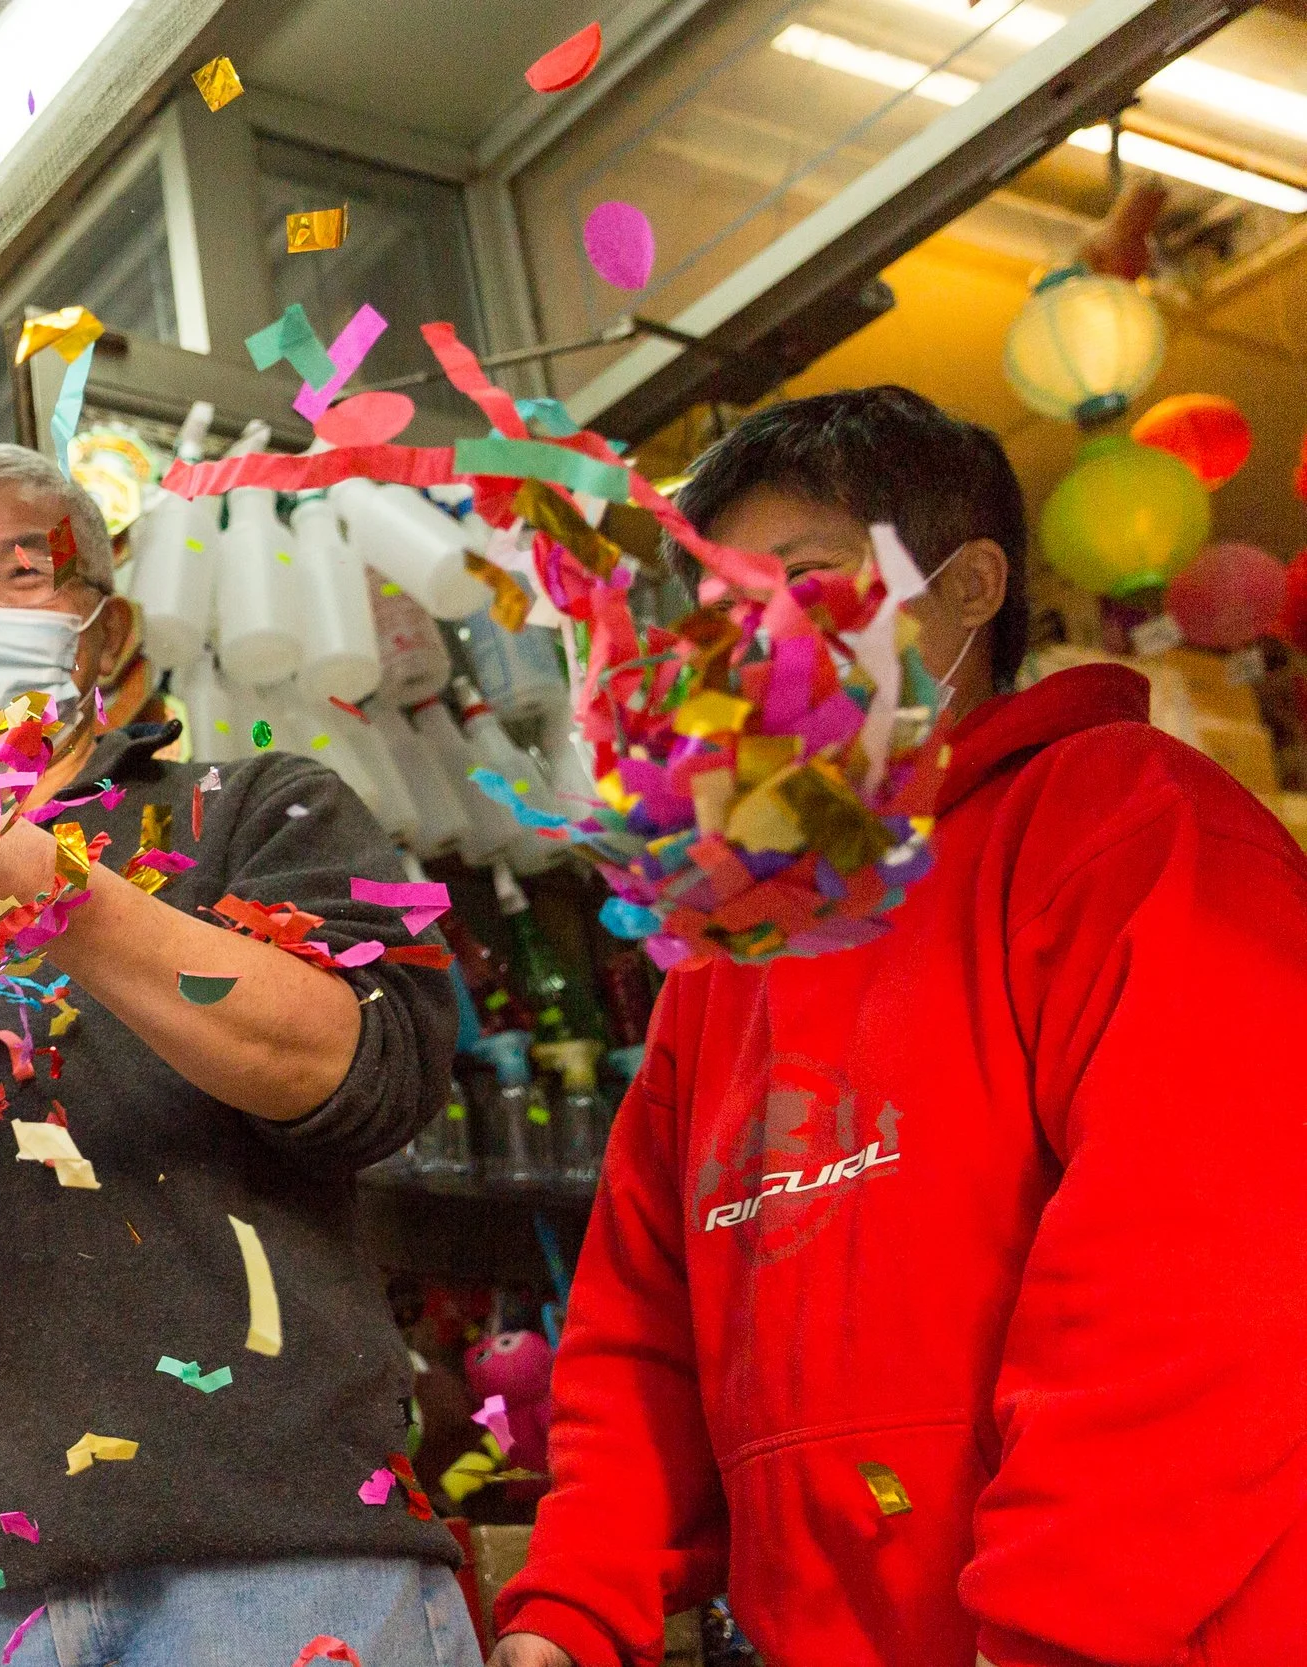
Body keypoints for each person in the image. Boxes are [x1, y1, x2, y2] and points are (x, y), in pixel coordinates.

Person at [489, 388, 1307, 1667]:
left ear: (968, 585)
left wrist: (1060, 1625)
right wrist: (570, 1607)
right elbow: (639, 1326)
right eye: (715, 610)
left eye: (803, 580)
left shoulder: (1127, 823)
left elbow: (1209, 1252)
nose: (747, 642)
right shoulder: (733, 942)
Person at [0, 444, 481, 1666]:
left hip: (275, 1579)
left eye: (23, 575)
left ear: (102, 629)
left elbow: (360, 1069)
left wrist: (48, 888)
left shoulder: (241, 811)